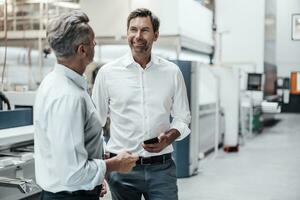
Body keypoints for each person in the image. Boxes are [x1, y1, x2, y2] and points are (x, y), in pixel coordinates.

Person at [34, 10, 138, 200]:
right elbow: (73, 173)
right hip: (71, 196)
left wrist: (97, 178)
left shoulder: (53, 82)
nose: (95, 45)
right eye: (93, 42)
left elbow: (73, 154)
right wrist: (115, 164)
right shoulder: (68, 97)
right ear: (82, 50)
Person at [92, 8, 191, 200]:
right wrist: (100, 169)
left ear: (156, 35)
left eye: (145, 30)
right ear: (127, 32)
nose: (138, 36)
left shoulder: (172, 72)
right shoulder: (107, 73)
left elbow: (183, 117)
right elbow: (96, 123)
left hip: (162, 170)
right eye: (133, 29)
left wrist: (170, 136)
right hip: (121, 171)